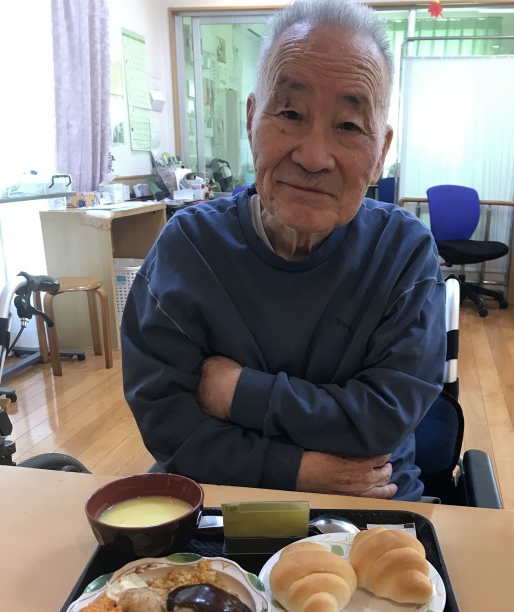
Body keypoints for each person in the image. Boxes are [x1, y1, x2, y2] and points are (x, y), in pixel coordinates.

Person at [121, 0, 446, 502]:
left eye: (348, 126)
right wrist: (300, 471)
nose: (313, 157)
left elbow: (382, 420)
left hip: (367, 504)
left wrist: (237, 392)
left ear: (381, 152)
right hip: (225, 505)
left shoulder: (403, 254)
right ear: (252, 118)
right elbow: (169, 425)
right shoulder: (189, 250)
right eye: (290, 113)